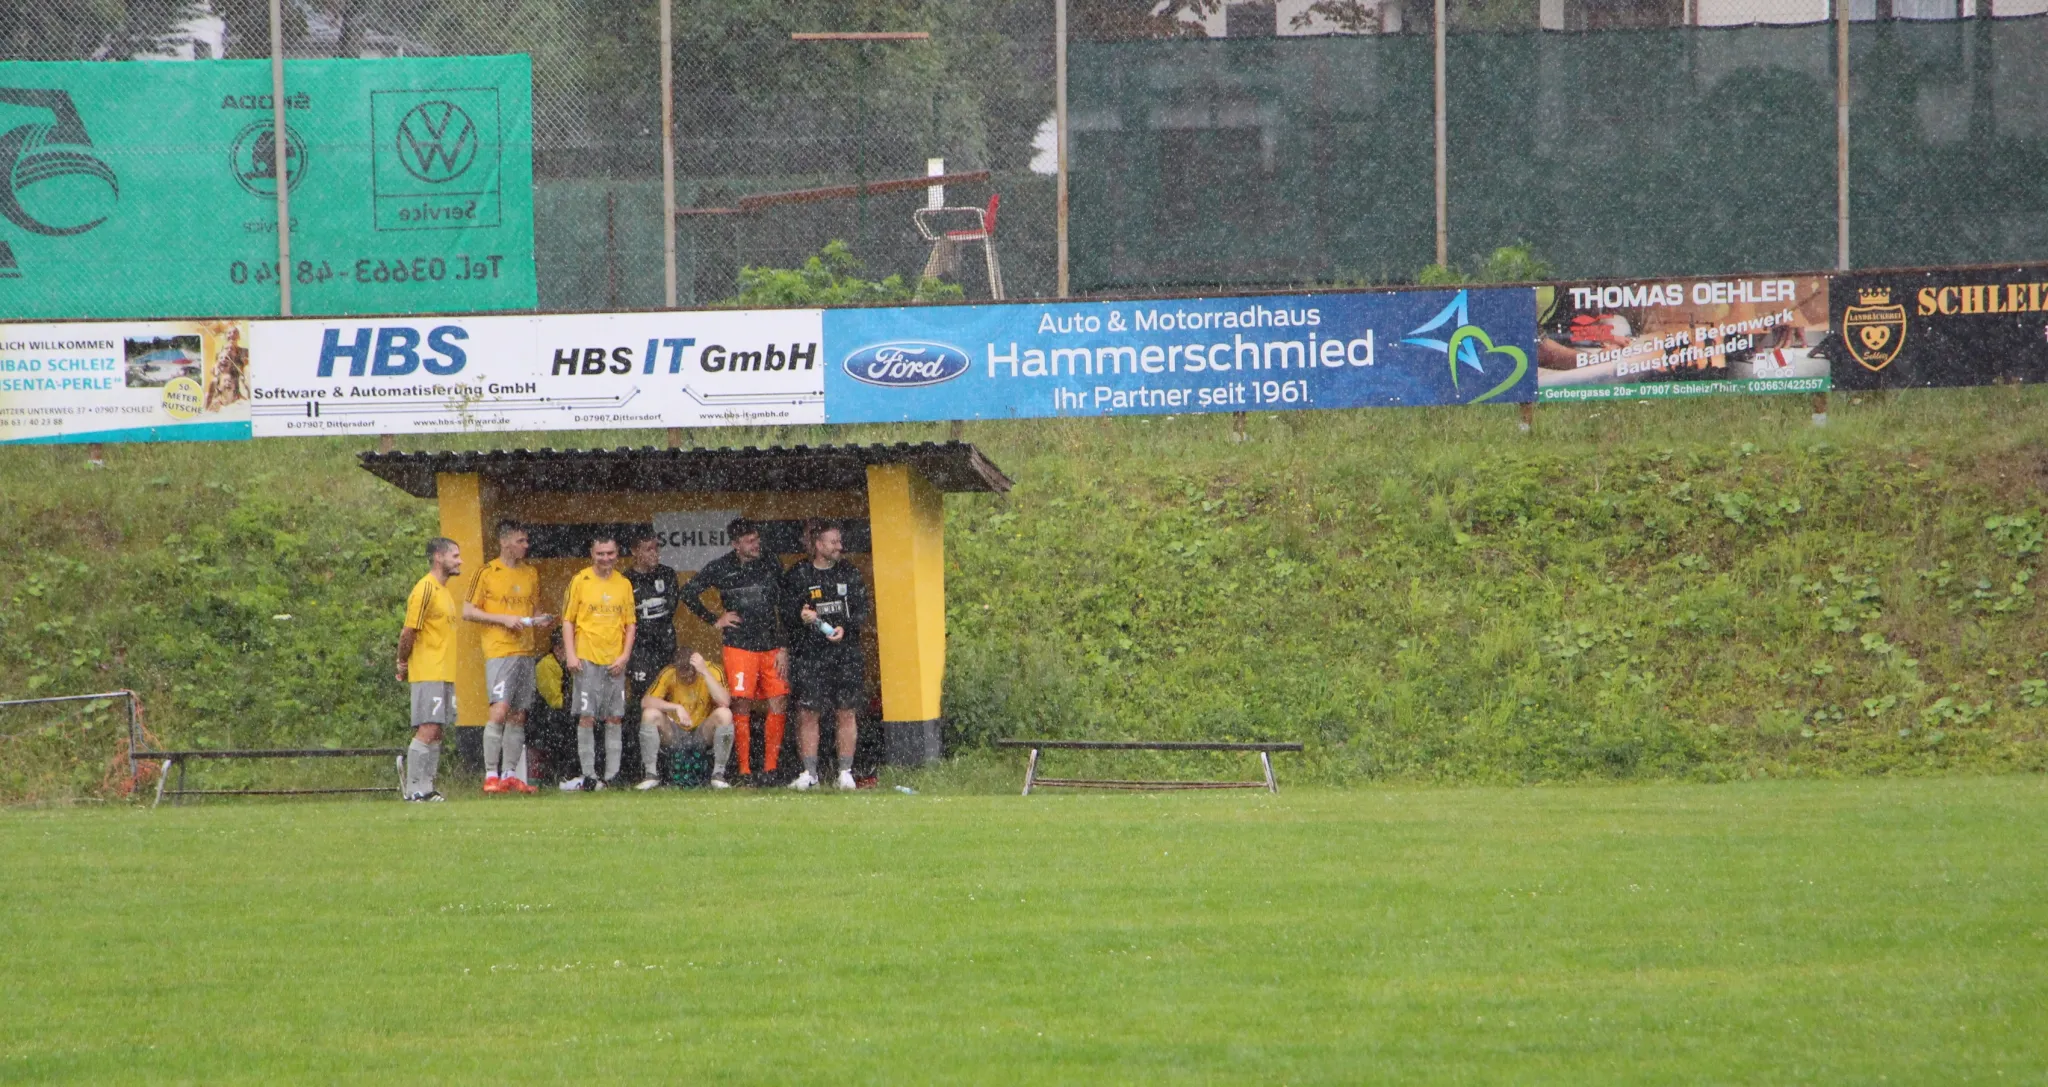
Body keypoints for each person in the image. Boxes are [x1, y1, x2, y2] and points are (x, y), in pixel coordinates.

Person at [680, 518, 788, 782]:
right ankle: (744, 770)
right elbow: (689, 592)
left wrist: (784, 645)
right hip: (738, 645)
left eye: (756, 539)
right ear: (735, 544)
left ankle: (771, 769)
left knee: (779, 700)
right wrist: (715, 619)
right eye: (749, 541)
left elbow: (786, 605)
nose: (755, 544)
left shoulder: (771, 562)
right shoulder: (721, 566)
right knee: (741, 703)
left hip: (771, 645)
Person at [463, 519, 553, 795]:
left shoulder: (530, 573)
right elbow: (468, 611)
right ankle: (491, 774)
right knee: (499, 710)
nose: (526, 546)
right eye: (520, 541)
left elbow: (533, 611)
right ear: (504, 542)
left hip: (526, 650)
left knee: (518, 714)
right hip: (500, 650)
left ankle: (510, 774)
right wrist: (503, 619)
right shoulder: (486, 572)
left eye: (526, 541)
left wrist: (541, 620)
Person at [781, 520, 870, 791]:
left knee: (846, 711)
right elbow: (786, 615)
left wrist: (846, 627)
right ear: (818, 545)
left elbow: (862, 610)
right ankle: (810, 774)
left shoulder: (849, 573)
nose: (839, 547)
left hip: (846, 655)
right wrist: (801, 616)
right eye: (833, 542)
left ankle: (845, 773)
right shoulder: (799, 574)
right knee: (808, 712)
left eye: (839, 542)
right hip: (809, 655)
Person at [560, 534, 637, 790]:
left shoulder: (624, 583)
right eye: (600, 553)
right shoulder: (579, 580)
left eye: (610, 553)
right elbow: (568, 620)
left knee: (614, 717)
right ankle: (589, 775)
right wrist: (571, 654)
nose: (605, 558)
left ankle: (612, 775)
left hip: (614, 660)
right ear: (592, 555)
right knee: (587, 716)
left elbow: (630, 623)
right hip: (586, 658)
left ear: (617, 554)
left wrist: (624, 656)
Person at [396, 537, 462, 802]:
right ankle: (413, 788)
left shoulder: (444, 592)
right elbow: (409, 631)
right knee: (428, 727)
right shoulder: (424, 588)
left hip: (444, 672)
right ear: (438, 557)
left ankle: (427, 787)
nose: (460, 561)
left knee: (438, 730)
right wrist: (402, 661)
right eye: (455, 556)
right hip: (428, 671)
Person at [635, 648, 736, 790]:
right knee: (649, 714)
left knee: (725, 714)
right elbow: (645, 701)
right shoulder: (669, 672)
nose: (688, 680)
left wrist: (704, 672)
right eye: (683, 677)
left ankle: (718, 774)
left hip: (702, 732)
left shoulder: (712, 670)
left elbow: (725, 701)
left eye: (691, 676)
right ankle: (651, 774)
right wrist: (675, 707)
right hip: (675, 732)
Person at [622, 532, 681, 773]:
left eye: (656, 548)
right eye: (648, 549)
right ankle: (642, 764)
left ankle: (671, 763)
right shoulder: (625, 580)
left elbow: (671, 608)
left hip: (665, 649)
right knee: (644, 702)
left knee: (670, 699)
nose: (654, 553)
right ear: (635, 551)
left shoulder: (667, 574)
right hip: (640, 652)